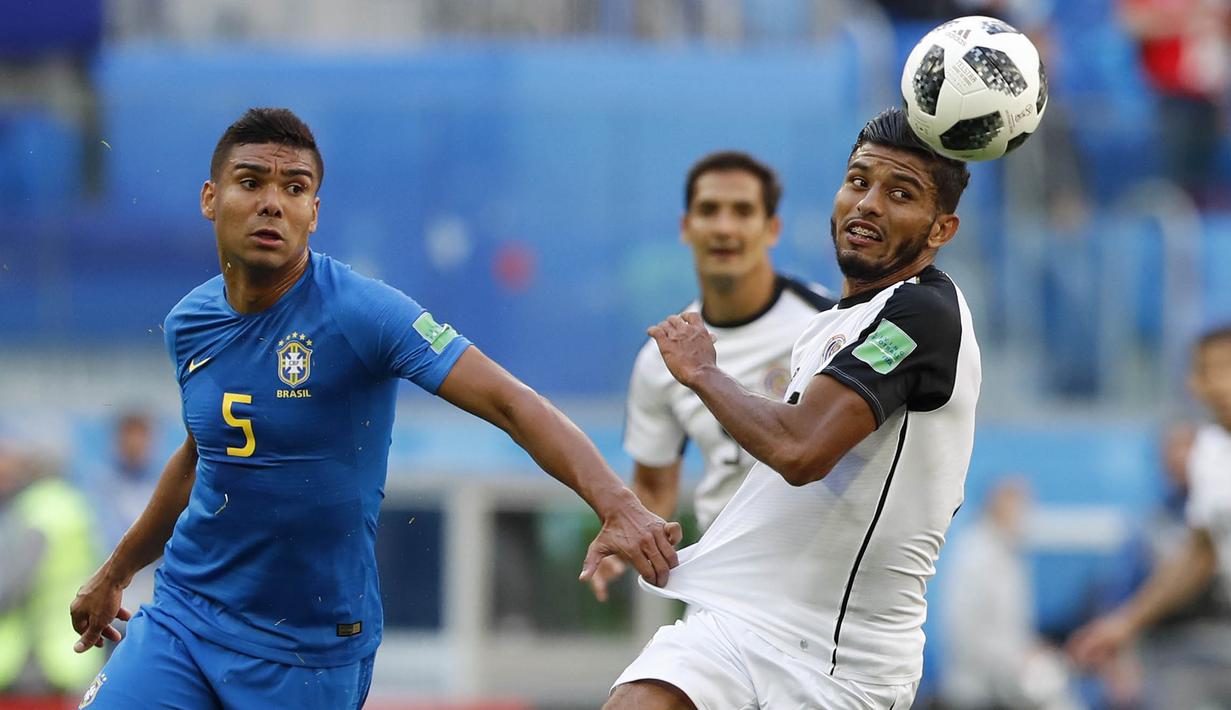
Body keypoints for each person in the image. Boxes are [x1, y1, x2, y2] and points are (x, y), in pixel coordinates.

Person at [67, 107, 682, 710]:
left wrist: (618, 504)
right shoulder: (190, 322)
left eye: (295, 188)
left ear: (314, 212)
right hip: (185, 617)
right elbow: (204, 454)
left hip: (306, 652)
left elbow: (510, 402)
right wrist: (116, 572)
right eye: (251, 182)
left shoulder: (363, 313)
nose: (272, 203)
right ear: (211, 197)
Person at [604, 106, 980, 710]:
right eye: (859, 181)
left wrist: (702, 372)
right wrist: (636, 521)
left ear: (941, 231)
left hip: (841, 664)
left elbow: (802, 451)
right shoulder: (830, 325)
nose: (868, 204)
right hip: (738, 622)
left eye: (900, 193)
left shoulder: (926, 314)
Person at [589, 151, 834, 602]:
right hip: (724, 590)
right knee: (642, 679)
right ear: (686, 228)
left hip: (822, 589)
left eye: (742, 211)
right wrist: (623, 545)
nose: (724, 227)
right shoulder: (659, 358)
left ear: (772, 229)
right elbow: (654, 487)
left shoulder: (827, 325)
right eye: (709, 211)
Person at [1068, 325, 1231, 706]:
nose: (1214, 382)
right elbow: (1202, 551)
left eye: (1225, 367)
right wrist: (1125, 622)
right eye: (1204, 371)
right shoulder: (1210, 452)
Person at [940, 478, 1081, 710]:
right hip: (976, 691)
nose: (1025, 515)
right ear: (999, 506)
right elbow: (966, 635)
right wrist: (1018, 658)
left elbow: (1010, 627)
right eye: (1020, 506)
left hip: (1002, 680)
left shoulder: (1007, 553)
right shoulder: (977, 556)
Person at [0, 431, 101, 696]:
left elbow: (9, 587)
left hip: (32, 660)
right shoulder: (76, 505)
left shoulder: (36, 510)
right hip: (70, 654)